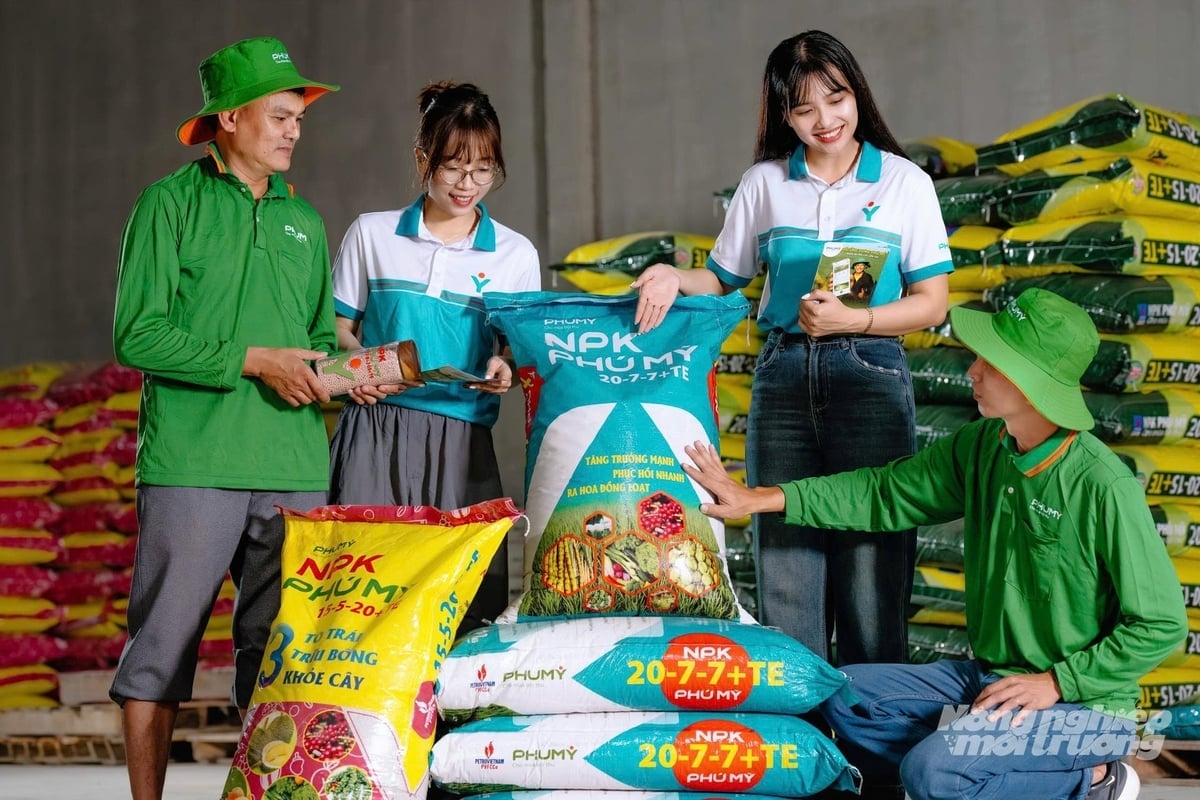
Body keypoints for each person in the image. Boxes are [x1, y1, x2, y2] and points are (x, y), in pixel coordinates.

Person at [677, 288, 1188, 800]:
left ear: (1031, 384)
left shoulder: (1101, 484)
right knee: (843, 695)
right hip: (993, 682)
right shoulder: (985, 445)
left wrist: (1056, 683)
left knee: (931, 773)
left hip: (1086, 707)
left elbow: (1162, 625)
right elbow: (886, 492)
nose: (973, 372)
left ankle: (1095, 777)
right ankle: (984, 756)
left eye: (990, 362)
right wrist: (760, 498)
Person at [631, 30, 952, 667]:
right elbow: (723, 278)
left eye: (836, 100)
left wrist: (854, 323)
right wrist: (671, 275)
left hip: (870, 375)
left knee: (871, 557)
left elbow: (932, 303)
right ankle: (804, 745)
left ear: (856, 93)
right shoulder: (765, 183)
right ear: (783, 114)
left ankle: (872, 743)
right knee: (786, 561)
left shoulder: (903, 183)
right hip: (782, 378)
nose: (825, 120)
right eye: (804, 109)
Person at [110, 37, 339, 800]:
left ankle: (262, 793)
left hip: (294, 468)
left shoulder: (305, 221)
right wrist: (253, 360)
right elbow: (137, 333)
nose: (293, 130)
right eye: (279, 115)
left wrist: (340, 376)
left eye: (298, 118)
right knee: (162, 650)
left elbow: (310, 340)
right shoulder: (167, 204)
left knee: (279, 657)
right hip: (194, 463)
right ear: (230, 118)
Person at [327, 81, 540, 626]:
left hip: (462, 441)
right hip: (374, 431)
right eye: (452, 169)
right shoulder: (371, 234)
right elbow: (336, 328)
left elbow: (519, 355)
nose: (468, 185)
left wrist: (505, 369)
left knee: (465, 601)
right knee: (360, 592)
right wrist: (359, 372)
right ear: (423, 159)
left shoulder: (516, 254)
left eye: (483, 170)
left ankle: (454, 713)